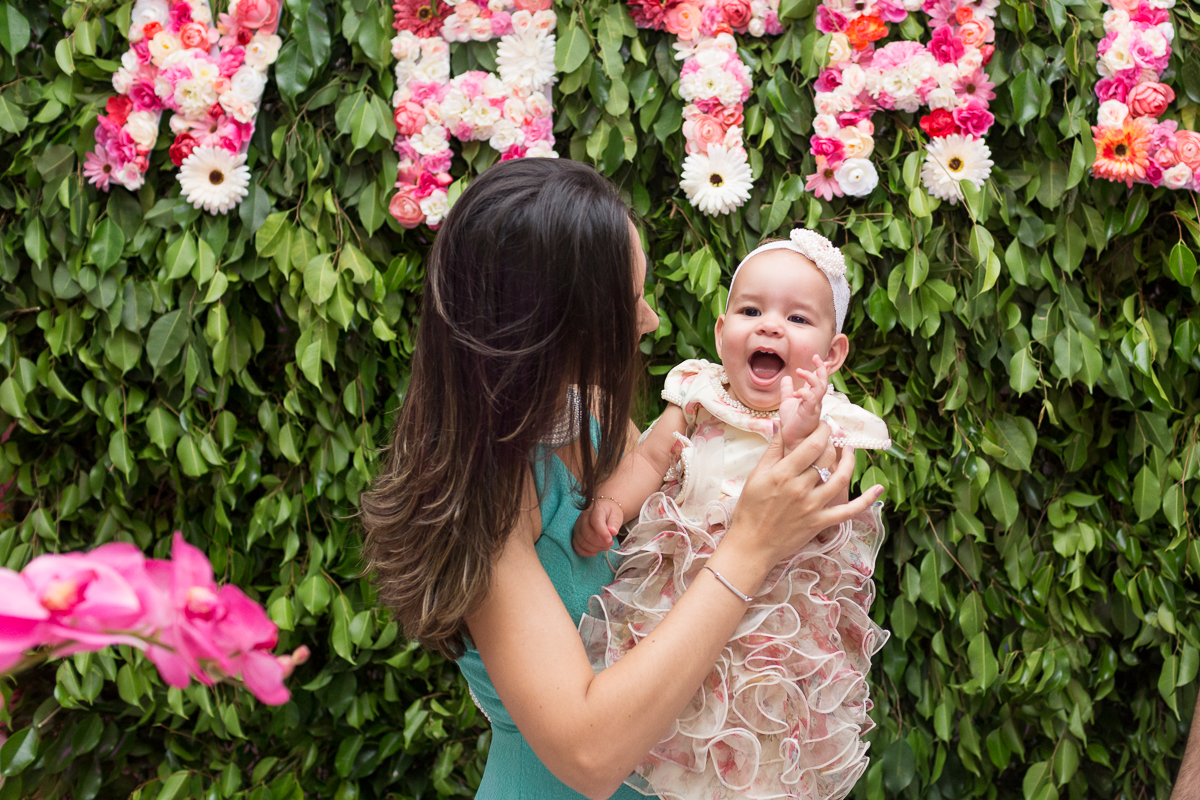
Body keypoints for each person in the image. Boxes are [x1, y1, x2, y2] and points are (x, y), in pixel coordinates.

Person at [360, 158, 884, 800]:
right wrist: (753, 545)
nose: (652, 319)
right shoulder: (491, 497)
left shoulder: (596, 421)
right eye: (631, 299)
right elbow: (589, 753)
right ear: (558, 321)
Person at [573, 229, 890, 800]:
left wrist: (798, 429)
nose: (770, 326)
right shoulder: (698, 396)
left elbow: (811, 488)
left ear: (833, 354)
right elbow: (648, 456)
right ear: (722, 335)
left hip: (770, 625)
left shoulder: (826, 423)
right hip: (680, 609)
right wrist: (613, 503)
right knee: (676, 728)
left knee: (756, 737)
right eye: (751, 310)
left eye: (797, 320)